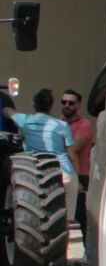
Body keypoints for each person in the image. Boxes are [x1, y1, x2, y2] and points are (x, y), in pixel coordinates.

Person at [14, 89, 75, 181]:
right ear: (52, 106)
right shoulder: (62, 125)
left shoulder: (24, 120)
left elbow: (8, 111)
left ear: (33, 105)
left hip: (37, 174)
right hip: (63, 173)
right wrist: (77, 179)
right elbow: (72, 156)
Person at [60, 89, 92, 255]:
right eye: (64, 102)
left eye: (71, 103)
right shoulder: (58, 122)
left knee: (81, 216)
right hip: (61, 174)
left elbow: (75, 146)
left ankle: (88, 253)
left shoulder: (84, 125)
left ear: (78, 105)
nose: (67, 106)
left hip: (80, 175)